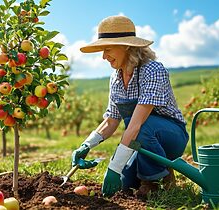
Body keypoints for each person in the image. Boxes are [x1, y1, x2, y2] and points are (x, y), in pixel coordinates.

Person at [71, 15, 189, 197]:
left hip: (171, 137)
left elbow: (136, 124)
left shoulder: (152, 70)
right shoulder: (116, 78)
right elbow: (111, 120)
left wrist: (114, 166)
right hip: (140, 140)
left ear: (127, 46)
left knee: (143, 127)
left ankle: (156, 182)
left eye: (108, 49)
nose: (103, 56)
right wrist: (86, 145)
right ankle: (154, 172)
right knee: (123, 184)